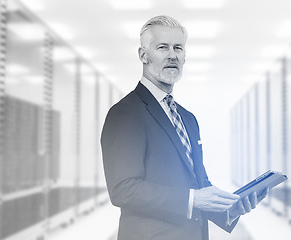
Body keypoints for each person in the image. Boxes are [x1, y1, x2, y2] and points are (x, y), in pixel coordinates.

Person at [101, 15, 268, 240]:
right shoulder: (125, 114)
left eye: (178, 48)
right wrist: (191, 199)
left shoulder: (187, 118)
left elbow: (199, 185)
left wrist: (229, 209)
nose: (172, 55)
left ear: (185, 56)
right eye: (162, 47)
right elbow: (123, 189)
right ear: (143, 55)